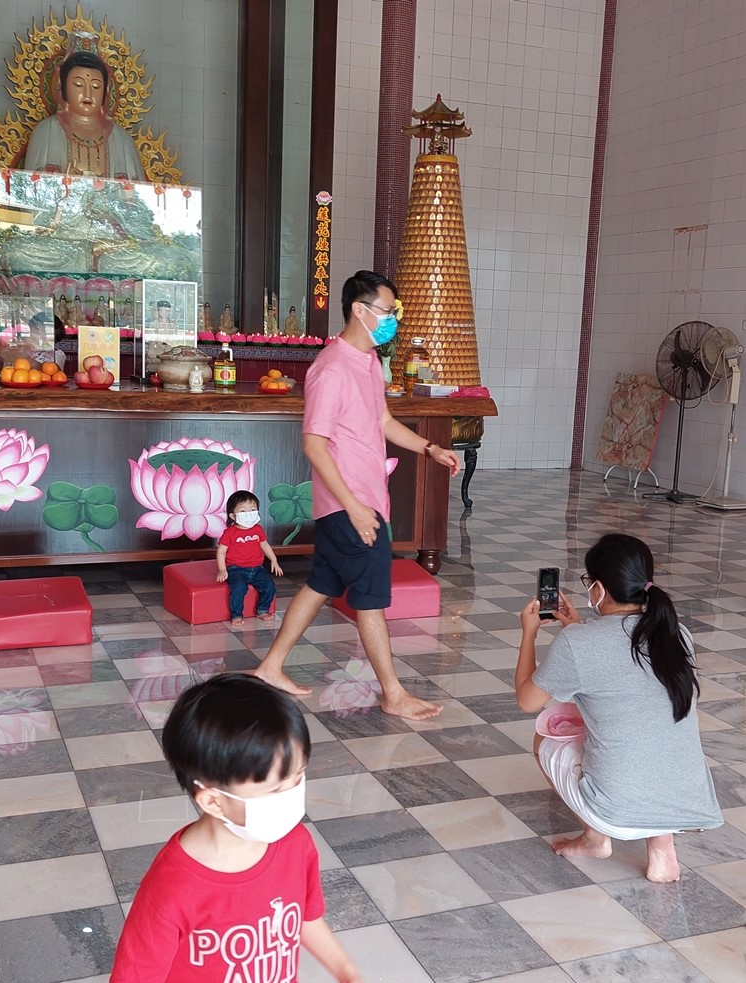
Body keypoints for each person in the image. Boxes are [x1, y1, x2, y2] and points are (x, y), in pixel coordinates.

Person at [252, 271, 460, 720]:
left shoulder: (367, 363)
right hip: (351, 508)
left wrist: (430, 447)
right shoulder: (330, 369)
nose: (393, 322)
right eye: (389, 312)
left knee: (321, 584)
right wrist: (355, 508)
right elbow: (314, 445)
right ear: (360, 311)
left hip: (359, 503)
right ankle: (393, 693)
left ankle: (270, 666)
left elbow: (382, 421)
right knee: (370, 599)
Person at [109, 674, 360, 983]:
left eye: (298, 778)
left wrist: (345, 971)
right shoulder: (172, 889)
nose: (293, 795)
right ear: (214, 802)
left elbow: (303, 919)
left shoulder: (297, 844)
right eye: (274, 789)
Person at [514, 534, 722, 881]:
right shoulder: (676, 633)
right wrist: (576, 628)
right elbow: (624, 669)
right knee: (651, 731)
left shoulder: (578, 643)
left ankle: (596, 837)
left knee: (544, 739)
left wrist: (529, 634)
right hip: (688, 805)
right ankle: (663, 855)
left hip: (616, 812)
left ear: (598, 588)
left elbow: (526, 700)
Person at [23, 50, 143, 181]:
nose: (87, 93)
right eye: (78, 85)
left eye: (96, 86)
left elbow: (139, 196)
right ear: (63, 88)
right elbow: (32, 190)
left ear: (105, 92)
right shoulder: (46, 131)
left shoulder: (122, 139)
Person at [217, 490, 282, 626]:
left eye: (253, 510)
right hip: (236, 569)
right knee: (239, 588)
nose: (249, 514)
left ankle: (262, 609)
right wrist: (223, 570)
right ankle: (236, 615)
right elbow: (221, 552)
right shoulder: (229, 533)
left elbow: (264, 545)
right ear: (233, 516)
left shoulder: (258, 529)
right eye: (243, 511)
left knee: (270, 586)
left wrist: (274, 560)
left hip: (257, 568)